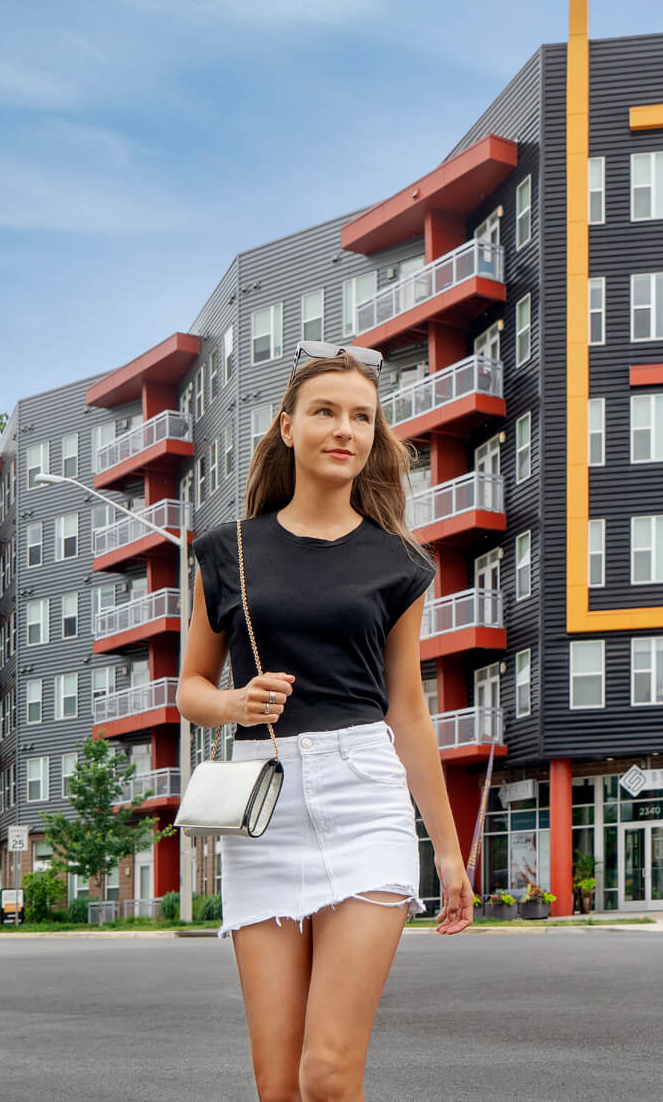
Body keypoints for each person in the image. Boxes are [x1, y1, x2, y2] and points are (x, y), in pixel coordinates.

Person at [176, 339, 475, 1102]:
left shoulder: (399, 563)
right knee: (278, 1084)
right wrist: (235, 705)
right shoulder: (225, 551)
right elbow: (190, 688)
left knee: (329, 1073)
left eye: (362, 417)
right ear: (287, 426)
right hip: (263, 804)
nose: (345, 429)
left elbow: (408, 710)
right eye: (325, 412)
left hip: (363, 797)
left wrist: (447, 851)